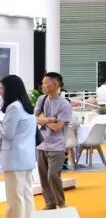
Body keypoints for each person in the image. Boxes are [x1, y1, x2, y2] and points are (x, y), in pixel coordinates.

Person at [0, 76, 36, 218]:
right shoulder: (26, 106)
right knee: (26, 195)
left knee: (15, 197)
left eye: (2, 88)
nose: (1, 92)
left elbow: (7, 134)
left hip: (14, 158)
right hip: (26, 157)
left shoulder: (13, 107)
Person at [34, 72, 71, 210]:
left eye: (46, 83)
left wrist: (44, 119)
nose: (43, 86)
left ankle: (61, 203)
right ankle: (49, 204)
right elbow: (36, 117)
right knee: (43, 177)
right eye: (42, 83)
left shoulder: (64, 104)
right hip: (41, 145)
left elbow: (57, 127)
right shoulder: (42, 99)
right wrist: (51, 119)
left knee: (53, 175)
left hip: (57, 146)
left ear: (55, 84)